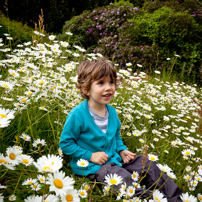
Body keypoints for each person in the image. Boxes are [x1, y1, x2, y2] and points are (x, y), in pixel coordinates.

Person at [59, 57, 183, 201]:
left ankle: (177, 198)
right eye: (101, 83)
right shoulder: (78, 115)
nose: (108, 87)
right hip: (93, 166)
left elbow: (116, 136)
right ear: (86, 89)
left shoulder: (112, 112)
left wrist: (122, 150)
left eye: (111, 82)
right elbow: (66, 144)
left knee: (147, 164)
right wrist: (90, 156)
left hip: (115, 158)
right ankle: (153, 199)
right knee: (122, 178)